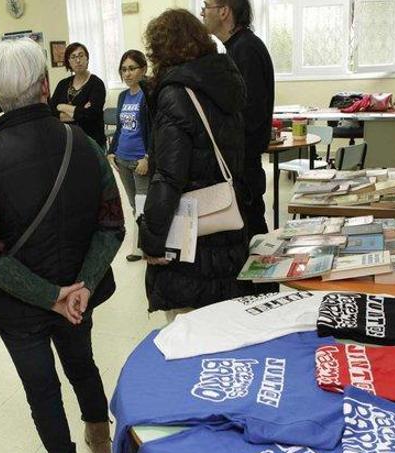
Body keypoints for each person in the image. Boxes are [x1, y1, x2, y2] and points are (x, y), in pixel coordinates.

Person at [0, 38, 124, 453]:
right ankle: (101, 439)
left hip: (20, 305)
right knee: (82, 363)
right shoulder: (84, 143)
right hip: (78, 294)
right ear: (45, 85)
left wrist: (49, 296)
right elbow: (112, 225)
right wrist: (80, 288)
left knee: (41, 387)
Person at [139, 9, 253, 320]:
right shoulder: (225, 84)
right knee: (224, 324)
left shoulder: (176, 93)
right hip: (228, 218)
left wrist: (150, 240)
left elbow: (167, 176)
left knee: (187, 332)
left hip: (191, 236)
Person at [202, 0, 275, 239]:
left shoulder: (245, 50)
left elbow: (249, 114)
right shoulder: (237, 47)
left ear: (224, 11)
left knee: (252, 237)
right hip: (241, 161)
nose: (203, 12)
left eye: (207, 5)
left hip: (244, 163)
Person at [108, 50, 151, 263]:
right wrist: (111, 152)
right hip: (122, 158)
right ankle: (143, 245)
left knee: (144, 205)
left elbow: (153, 129)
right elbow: (120, 128)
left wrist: (147, 156)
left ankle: (146, 247)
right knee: (135, 205)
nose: (127, 73)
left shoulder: (148, 94)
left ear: (143, 69)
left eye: (132, 68)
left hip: (140, 160)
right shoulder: (123, 96)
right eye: (124, 69)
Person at [48, 43, 107, 149]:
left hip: (93, 143)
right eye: (73, 57)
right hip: (68, 143)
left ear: (87, 59)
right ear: (69, 62)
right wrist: (81, 111)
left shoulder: (97, 84)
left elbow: (92, 115)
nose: (78, 60)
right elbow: (51, 112)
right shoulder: (63, 84)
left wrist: (62, 107)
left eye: (81, 55)